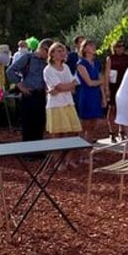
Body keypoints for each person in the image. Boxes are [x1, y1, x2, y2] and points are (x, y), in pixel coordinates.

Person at [42, 42, 82, 170]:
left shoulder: (66, 67)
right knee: (57, 135)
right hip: (56, 105)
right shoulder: (48, 69)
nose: (62, 53)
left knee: (72, 132)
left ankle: (68, 159)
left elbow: (72, 85)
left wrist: (64, 87)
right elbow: (61, 86)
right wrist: (66, 87)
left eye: (63, 51)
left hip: (68, 103)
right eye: (59, 51)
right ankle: (58, 162)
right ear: (52, 54)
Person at [7, 38, 52, 145]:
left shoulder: (47, 62)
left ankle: (38, 148)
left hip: (41, 95)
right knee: (28, 124)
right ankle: (28, 149)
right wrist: (20, 86)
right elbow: (10, 71)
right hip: (29, 94)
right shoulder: (28, 58)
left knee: (39, 123)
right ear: (43, 49)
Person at [75, 39, 106, 157]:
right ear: (84, 48)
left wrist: (103, 97)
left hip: (96, 95)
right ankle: (79, 152)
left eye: (94, 45)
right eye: (90, 45)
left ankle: (88, 151)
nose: (93, 47)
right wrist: (101, 81)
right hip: (86, 95)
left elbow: (100, 81)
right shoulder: (81, 64)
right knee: (84, 125)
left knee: (93, 125)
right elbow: (89, 82)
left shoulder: (96, 63)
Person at [105, 40, 128, 142]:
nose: (121, 48)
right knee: (112, 109)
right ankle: (112, 132)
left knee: (123, 108)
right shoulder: (110, 58)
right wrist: (107, 88)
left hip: (124, 85)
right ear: (114, 48)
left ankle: (122, 130)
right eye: (118, 46)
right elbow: (107, 74)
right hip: (113, 86)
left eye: (123, 46)